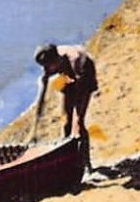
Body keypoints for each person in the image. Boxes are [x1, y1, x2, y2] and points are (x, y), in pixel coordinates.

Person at [34, 44, 99, 172]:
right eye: (44, 67)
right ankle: (66, 160)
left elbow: (79, 91)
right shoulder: (50, 64)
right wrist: (38, 114)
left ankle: (87, 165)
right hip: (67, 75)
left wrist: (76, 111)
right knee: (65, 121)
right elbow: (43, 92)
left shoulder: (76, 61)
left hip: (84, 75)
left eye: (48, 66)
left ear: (56, 60)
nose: (46, 69)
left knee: (79, 122)